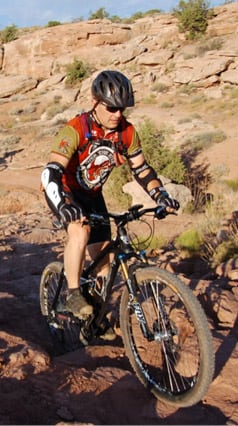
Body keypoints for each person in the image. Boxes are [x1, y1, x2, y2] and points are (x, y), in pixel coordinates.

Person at [40, 70, 179, 318]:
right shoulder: (76, 129)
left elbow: (142, 169)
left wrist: (160, 195)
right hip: (66, 191)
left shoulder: (127, 132)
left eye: (122, 109)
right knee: (80, 231)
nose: (118, 114)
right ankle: (72, 294)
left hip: (93, 194)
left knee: (105, 258)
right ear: (95, 102)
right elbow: (50, 172)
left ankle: (95, 314)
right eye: (111, 108)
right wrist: (63, 206)